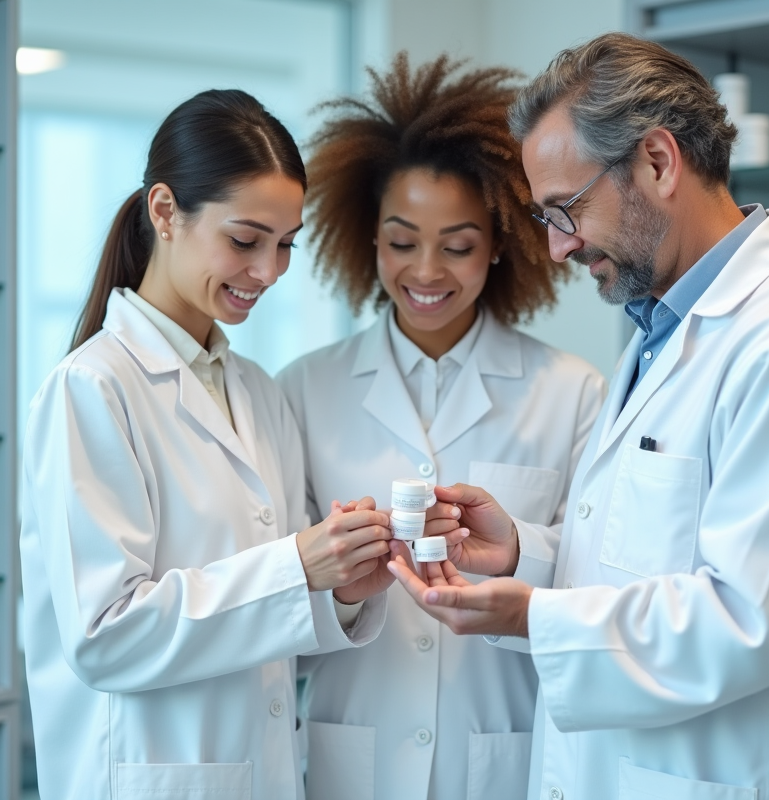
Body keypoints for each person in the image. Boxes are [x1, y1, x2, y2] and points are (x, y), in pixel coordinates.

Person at [390, 33, 769, 800]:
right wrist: (524, 553)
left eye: (566, 210)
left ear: (658, 162)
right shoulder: (660, 334)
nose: (557, 248)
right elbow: (646, 557)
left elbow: (752, 621)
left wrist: (534, 618)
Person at [20, 90, 396, 800]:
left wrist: (339, 590)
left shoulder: (257, 392)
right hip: (149, 777)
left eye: (286, 245)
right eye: (246, 240)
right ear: (165, 211)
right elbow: (105, 636)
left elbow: (267, 623)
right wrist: (295, 568)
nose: (269, 272)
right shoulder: (92, 389)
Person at [276, 54, 606, 800]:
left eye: (457, 245)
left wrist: (515, 553)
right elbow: (278, 592)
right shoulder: (303, 389)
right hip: (354, 755)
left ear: (500, 243)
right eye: (401, 241)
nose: (426, 271)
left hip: (502, 751)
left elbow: (601, 576)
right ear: (367, 238)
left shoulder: (573, 392)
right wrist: (346, 589)